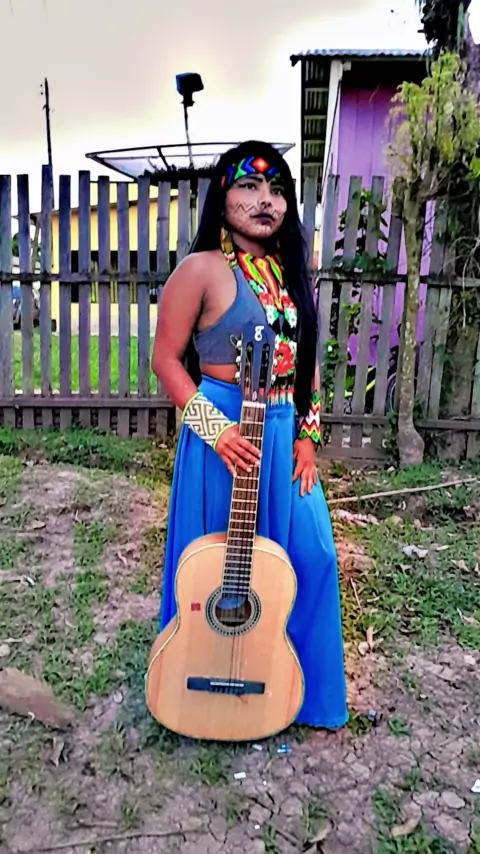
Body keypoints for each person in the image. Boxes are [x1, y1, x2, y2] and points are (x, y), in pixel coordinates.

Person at [151, 140, 348, 730]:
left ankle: (300, 694)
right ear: (223, 193)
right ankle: (204, 677)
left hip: (285, 431)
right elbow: (165, 360)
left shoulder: (290, 273)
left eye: (277, 189)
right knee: (216, 568)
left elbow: (307, 360)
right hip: (225, 431)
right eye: (250, 185)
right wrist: (216, 433)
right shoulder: (201, 270)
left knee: (313, 554)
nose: (266, 200)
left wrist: (308, 437)